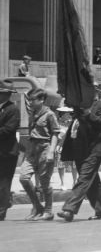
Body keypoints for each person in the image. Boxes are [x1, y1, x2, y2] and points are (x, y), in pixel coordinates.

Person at [57, 87, 101, 222]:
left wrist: (88, 113)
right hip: (80, 149)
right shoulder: (80, 107)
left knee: (84, 178)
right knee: (92, 182)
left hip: (94, 149)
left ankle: (69, 209)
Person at [19, 87, 60, 220]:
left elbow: (55, 133)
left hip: (45, 147)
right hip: (32, 148)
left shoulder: (49, 114)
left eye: (33, 100)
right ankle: (37, 206)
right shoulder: (32, 113)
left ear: (42, 100)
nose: (30, 102)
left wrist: (51, 152)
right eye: (29, 100)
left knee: (44, 182)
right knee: (24, 177)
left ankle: (48, 210)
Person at [0, 83, 20, 221]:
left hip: (7, 152)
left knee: (4, 182)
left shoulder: (12, 109)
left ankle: (1, 211)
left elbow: (9, 129)